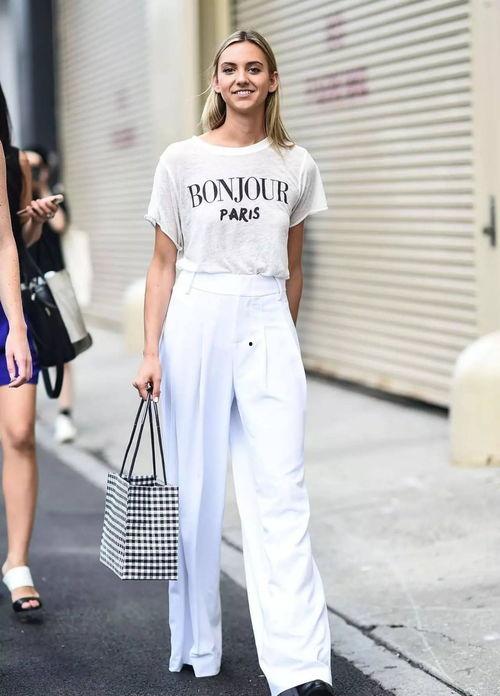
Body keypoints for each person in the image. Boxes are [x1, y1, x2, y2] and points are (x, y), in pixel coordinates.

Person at [133, 30, 334, 696]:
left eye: (254, 68)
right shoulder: (181, 159)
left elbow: (294, 267)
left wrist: (281, 339)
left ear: (273, 80)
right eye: (230, 68)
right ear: (216, 82)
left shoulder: (296, 164)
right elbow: (162, 265)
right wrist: (150, 350)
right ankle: (199, 645)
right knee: (194, 493)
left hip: (266, 317)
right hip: (196, 315)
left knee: (282, 493)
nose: (242, 77)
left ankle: (301, 666)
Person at [0, 82, 60, 614]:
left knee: (20, 431)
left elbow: (11, 243)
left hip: (5, 308)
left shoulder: (10, 158)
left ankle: (17, 562)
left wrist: (33, 222)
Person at [24, 145, 77, 444]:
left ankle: (65, 414)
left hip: (55, 280)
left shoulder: (55, 195)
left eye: (37, 167)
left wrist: (43, 190)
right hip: (27, 285)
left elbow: (61, 225)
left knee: (63, 351)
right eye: (27, 167)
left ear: (45, 169)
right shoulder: (17, 199)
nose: (32, 172)